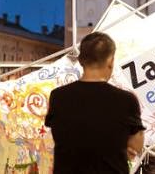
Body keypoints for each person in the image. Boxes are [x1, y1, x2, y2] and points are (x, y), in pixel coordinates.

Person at [45, 32, 145, 174]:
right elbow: (136, 146)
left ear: (80, 60)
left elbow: (63, 136)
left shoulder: (58, 97)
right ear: (110, 61)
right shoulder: (126, 100)